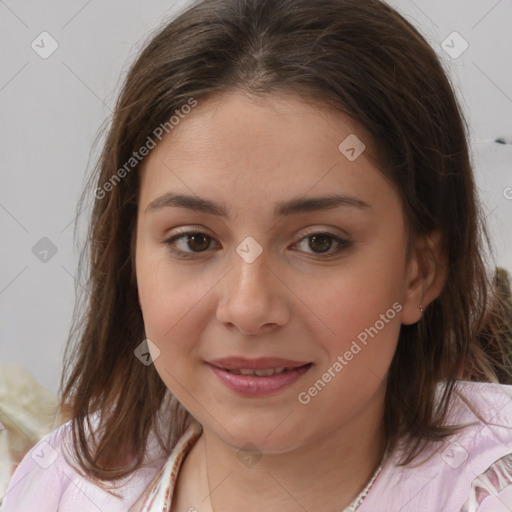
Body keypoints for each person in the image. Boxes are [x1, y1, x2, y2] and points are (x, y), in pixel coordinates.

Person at [2, 0, 512, 510]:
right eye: (194, 240)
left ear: (419, 273)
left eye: (320, 242)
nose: (247, 309)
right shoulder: (63, 486)